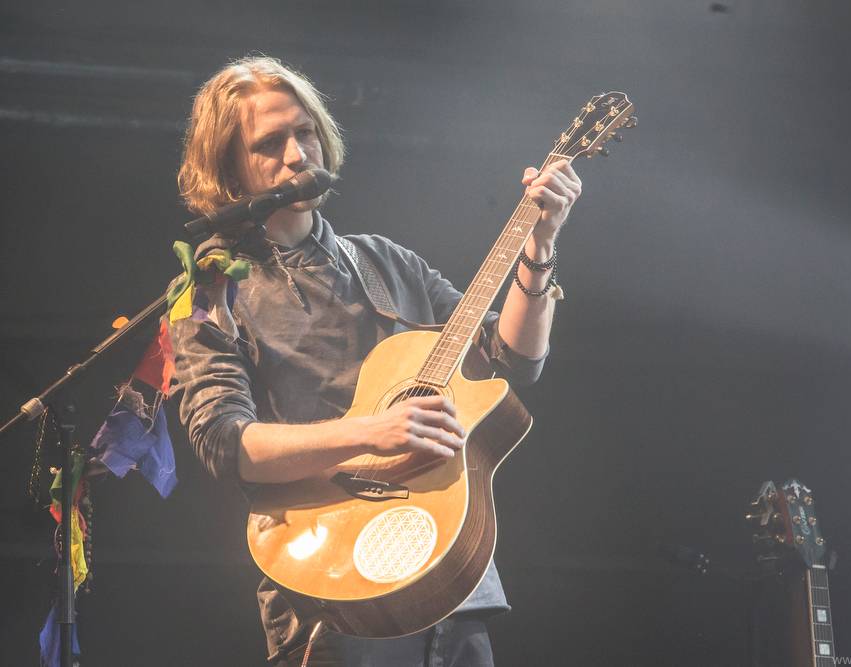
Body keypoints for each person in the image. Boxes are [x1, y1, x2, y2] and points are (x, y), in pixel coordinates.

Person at [168, 55, 581, 666]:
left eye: (305, 132)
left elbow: (512, 361)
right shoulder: (208, 292)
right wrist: (372, 431)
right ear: (229, 173)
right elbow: (227, 446)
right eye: (269, 143)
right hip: (334, 591)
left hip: (453, 575)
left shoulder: (383, 261)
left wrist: (539, 246)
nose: (296, 155)